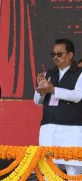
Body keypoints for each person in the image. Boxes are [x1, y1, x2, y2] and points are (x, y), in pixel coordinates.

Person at [34, 38, 82, 175]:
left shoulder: (79, 73)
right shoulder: (49, 73)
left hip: (71, 129)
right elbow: (37, 101)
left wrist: (54, 90)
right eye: (53, 54)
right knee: (48, 170)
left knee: (73, 170)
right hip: (49, 128)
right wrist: (42, 91)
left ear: (70, 55)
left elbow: (78, 95)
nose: (55, 57)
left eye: (59, 54)